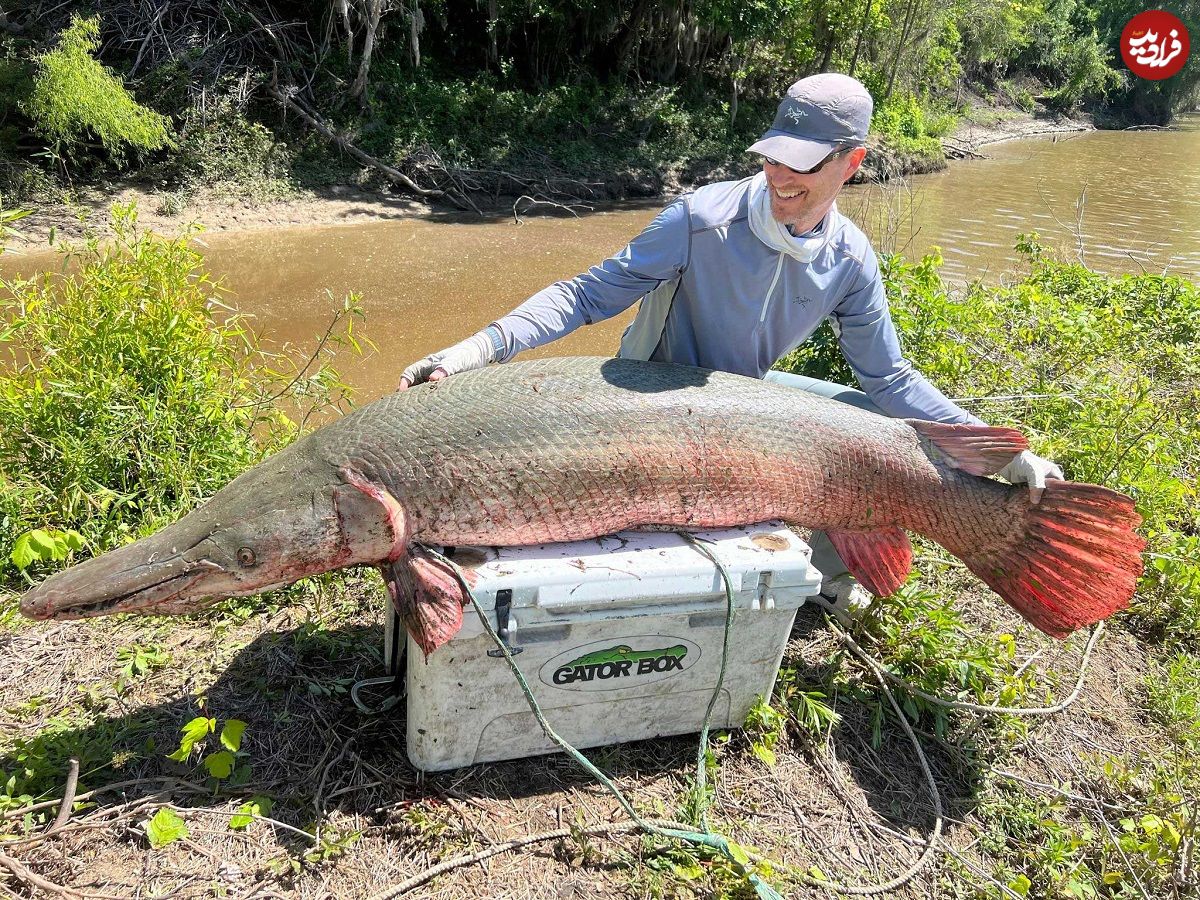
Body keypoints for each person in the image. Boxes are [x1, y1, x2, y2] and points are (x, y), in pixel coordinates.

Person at [397, 72, 1062, 614]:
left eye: (803, 165)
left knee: (870, 423)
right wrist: (476, 350)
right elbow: (585, 296)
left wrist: (999, 452)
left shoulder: (851, 260)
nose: (780, 176)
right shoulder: (698, 219)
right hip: (642, 399)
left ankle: (830, 580)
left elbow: (889, 377)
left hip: (743, 407)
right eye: (774, 157)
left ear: (852, 163)